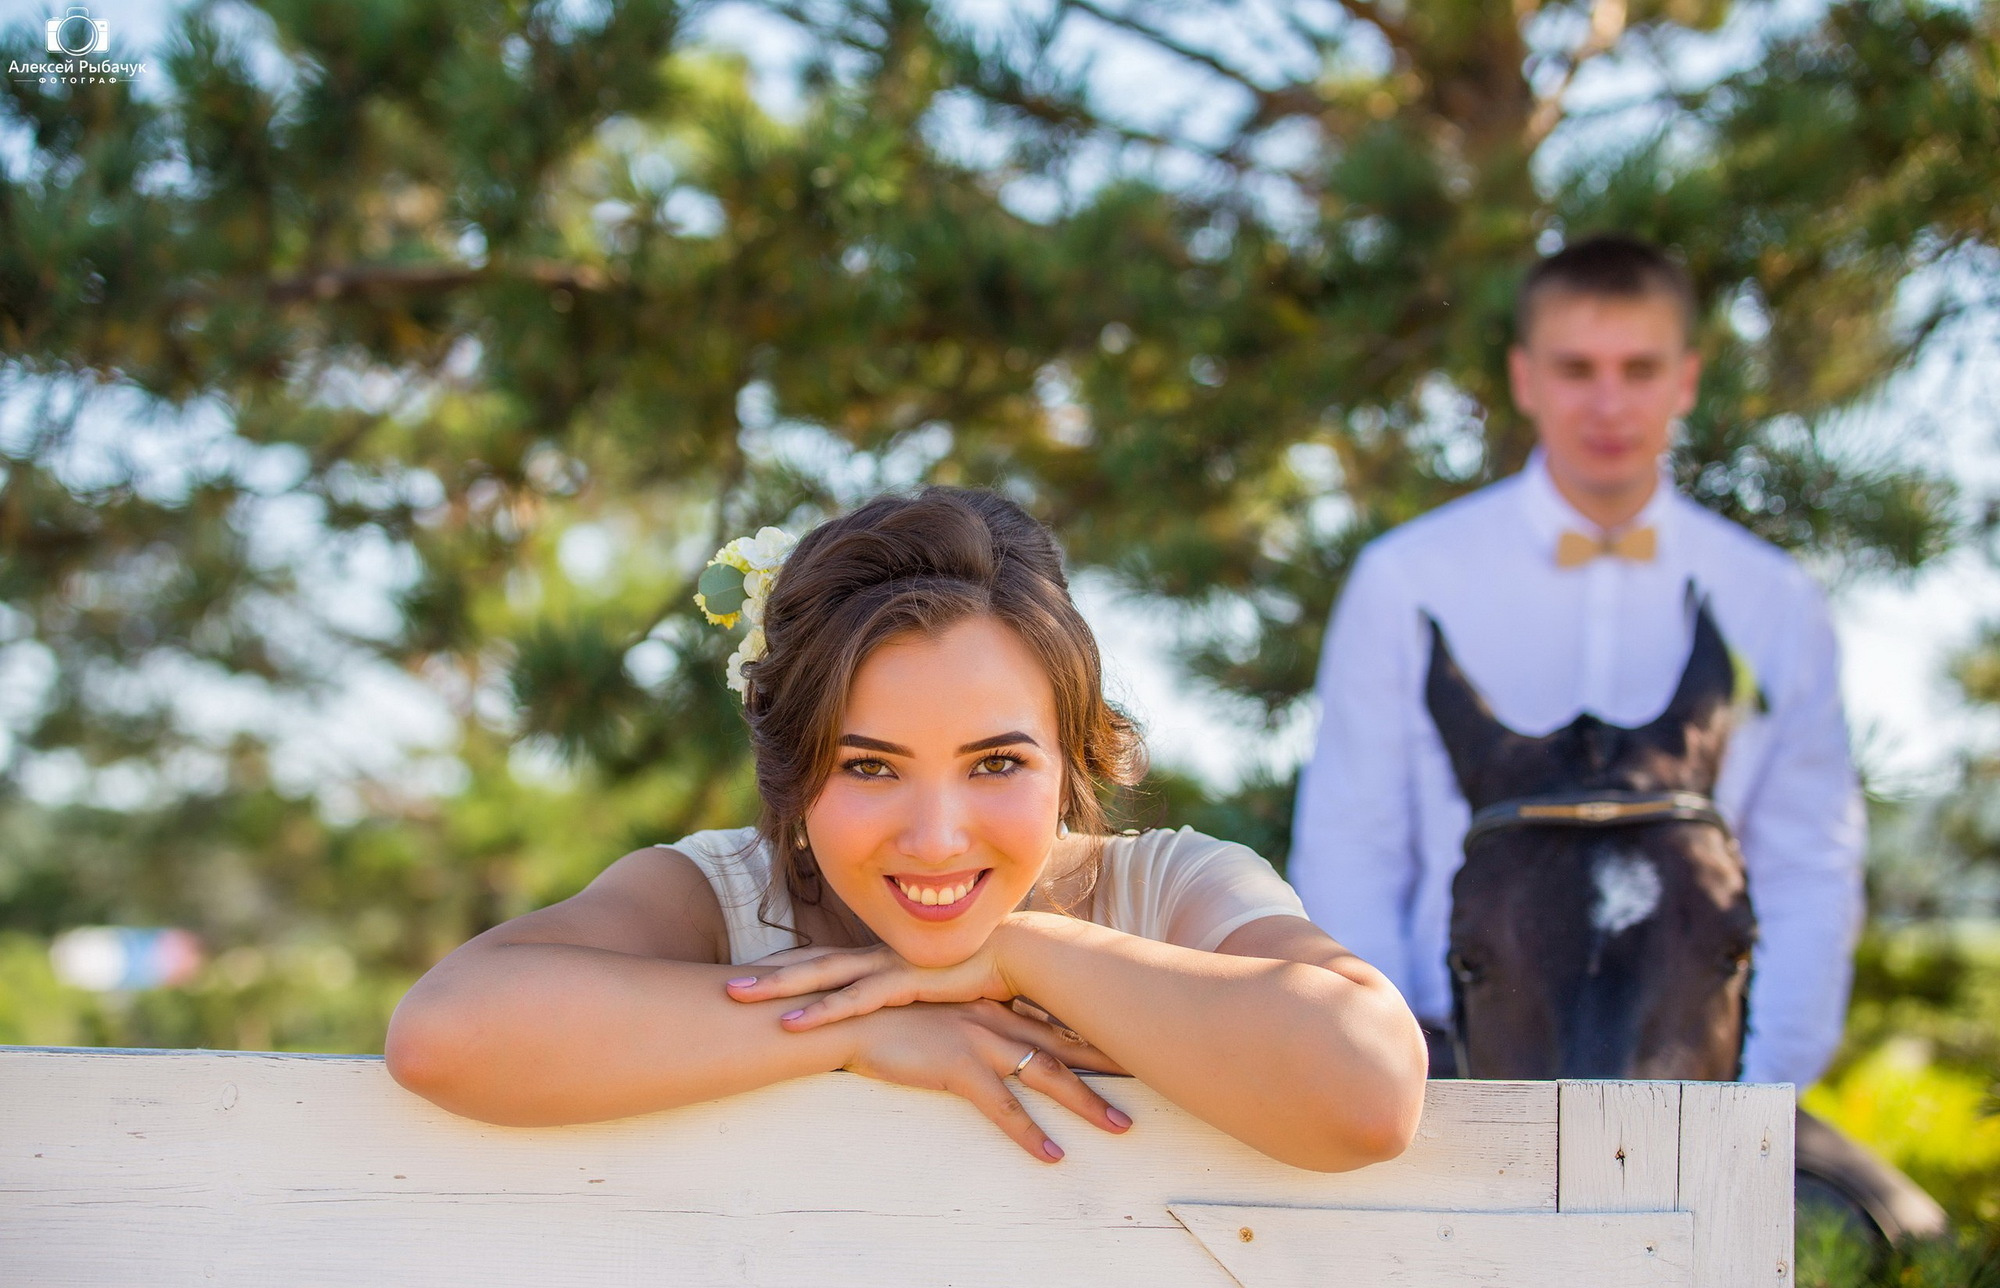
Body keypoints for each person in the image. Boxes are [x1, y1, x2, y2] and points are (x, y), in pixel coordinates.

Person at [386, 486, 1426, 1171]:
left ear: (1072, 753)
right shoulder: (723, 893)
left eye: (997, 763)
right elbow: (447, 1032)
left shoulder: (1168, 886)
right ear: (794, 771)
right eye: (870, 766)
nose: (935, 838)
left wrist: (1015, 954)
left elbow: (1368, 1090)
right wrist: (856, 1026)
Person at [1288, 234, 1865, 1089]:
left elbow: (1808, 855)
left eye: (1640, 369)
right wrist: (1400, 1069)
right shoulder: (1406, 580)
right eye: (1576, 368)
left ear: (1686, 379)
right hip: (1454, 1065)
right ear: (1525, 378)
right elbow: (1352, 840)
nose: (1608, 403)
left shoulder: (1774, 599)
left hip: (1701, 1081)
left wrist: (1759, 1091)